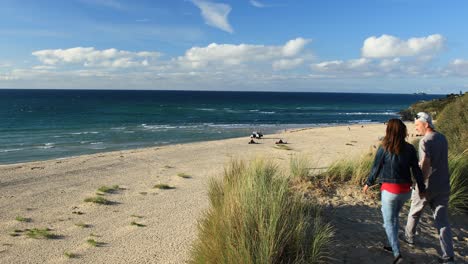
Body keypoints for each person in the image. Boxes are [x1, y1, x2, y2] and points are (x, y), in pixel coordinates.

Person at [363, 119, 426, 264]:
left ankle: (397, 253)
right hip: (405, 192)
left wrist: (368, 183)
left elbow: (376, 168)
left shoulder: (384, 148)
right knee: (394, 218)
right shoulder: (410, 148)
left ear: (389, 131)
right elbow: (416, 170)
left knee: (388, 221)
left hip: (390, 192)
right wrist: (421, 188)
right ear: (402, 131)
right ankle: (390, 244)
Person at [404, 112, 455, 264]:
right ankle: (448, 256)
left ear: (426, 125)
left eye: (417, 125)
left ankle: (409, 238)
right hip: (443, 185)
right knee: (442, 221)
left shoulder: (425, 141)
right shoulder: (442, 138)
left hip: (428, 186)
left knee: (414, 212)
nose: (416, 128)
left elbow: (426, 162)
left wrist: (421, 184)